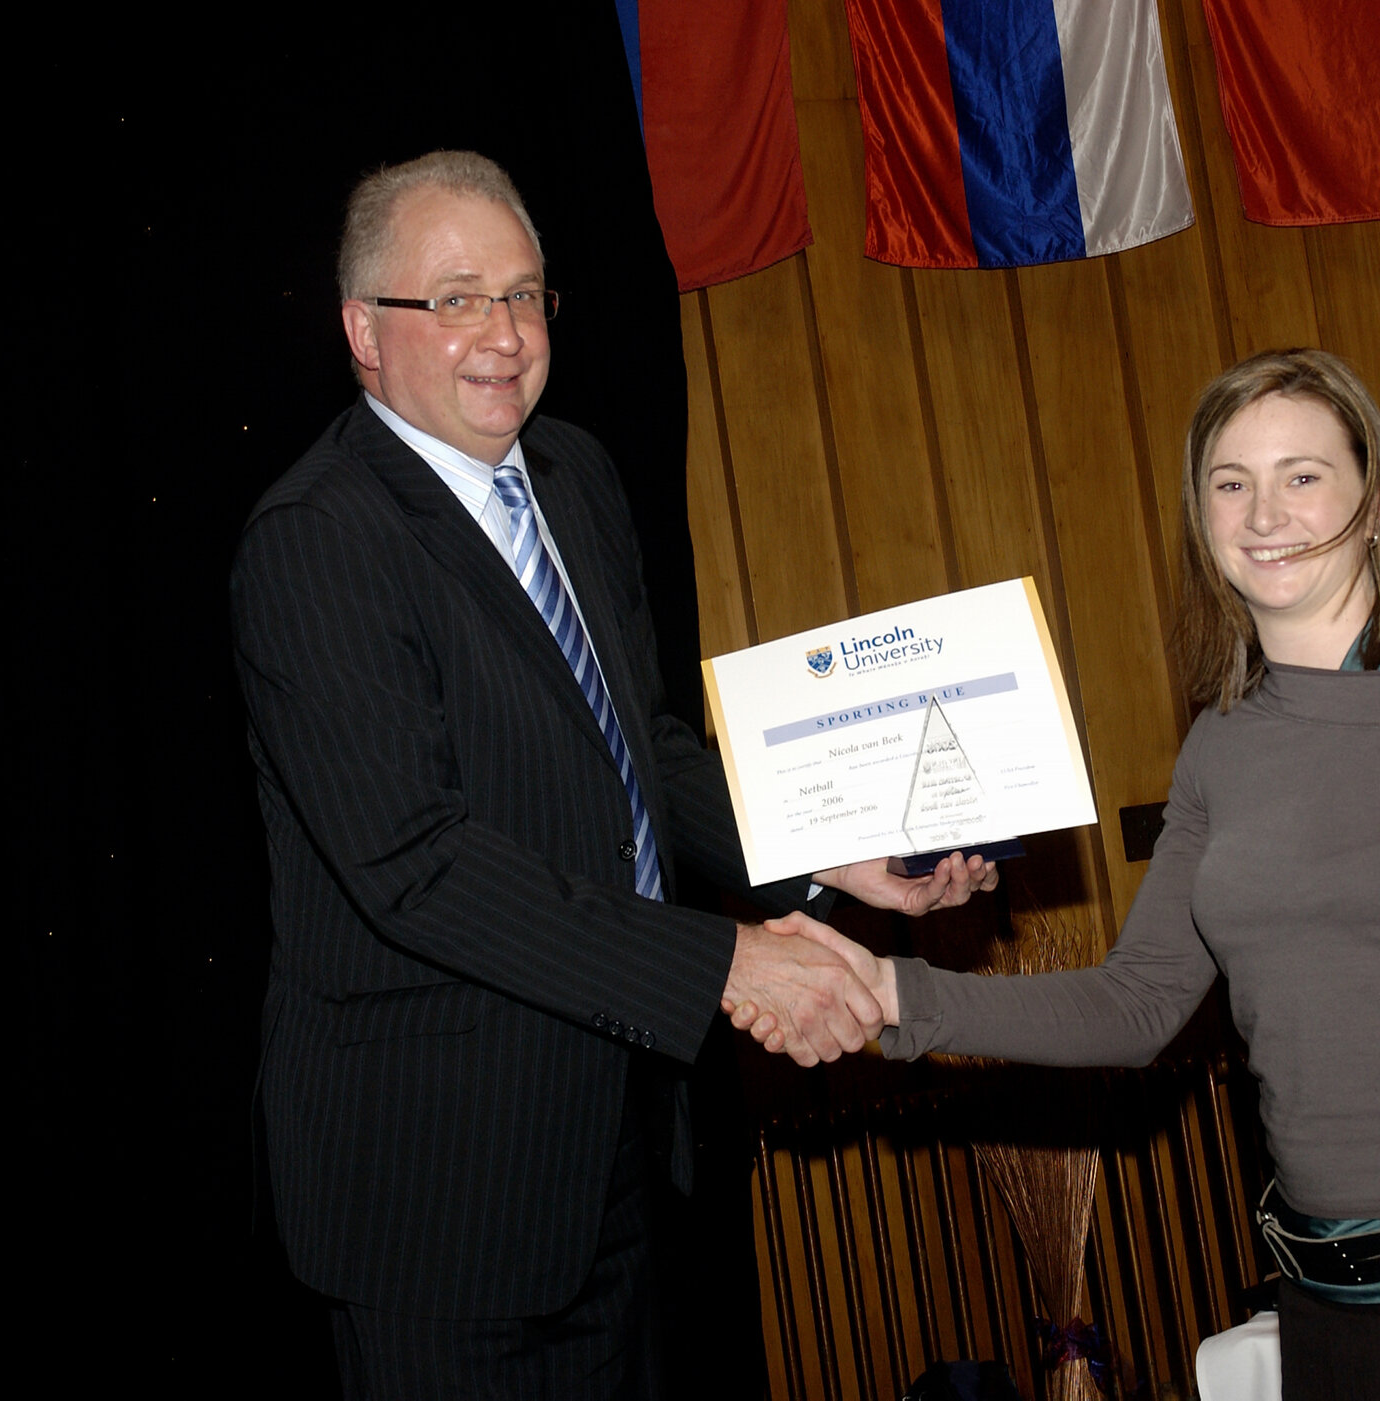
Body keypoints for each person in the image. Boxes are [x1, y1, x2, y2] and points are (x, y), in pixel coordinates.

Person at [742, 350, 1380, 1400]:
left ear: (1373, 502)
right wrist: (889, 992)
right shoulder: (1219, 741)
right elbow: (1139, 1003)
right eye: (1229, 482)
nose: (1264, 513)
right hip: (1323, 1310)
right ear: (1200, 519)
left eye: (1301, 475)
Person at [230, 149, 992, 1397]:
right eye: (458, 297)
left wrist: (823, 853)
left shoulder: (574, 477)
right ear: (366, 331)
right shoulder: (315, 544)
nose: (505, 334)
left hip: (616, 1154)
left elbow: (642, 742)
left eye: (526, 296)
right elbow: (415, 869)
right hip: (435, 1197)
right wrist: (729, 960)